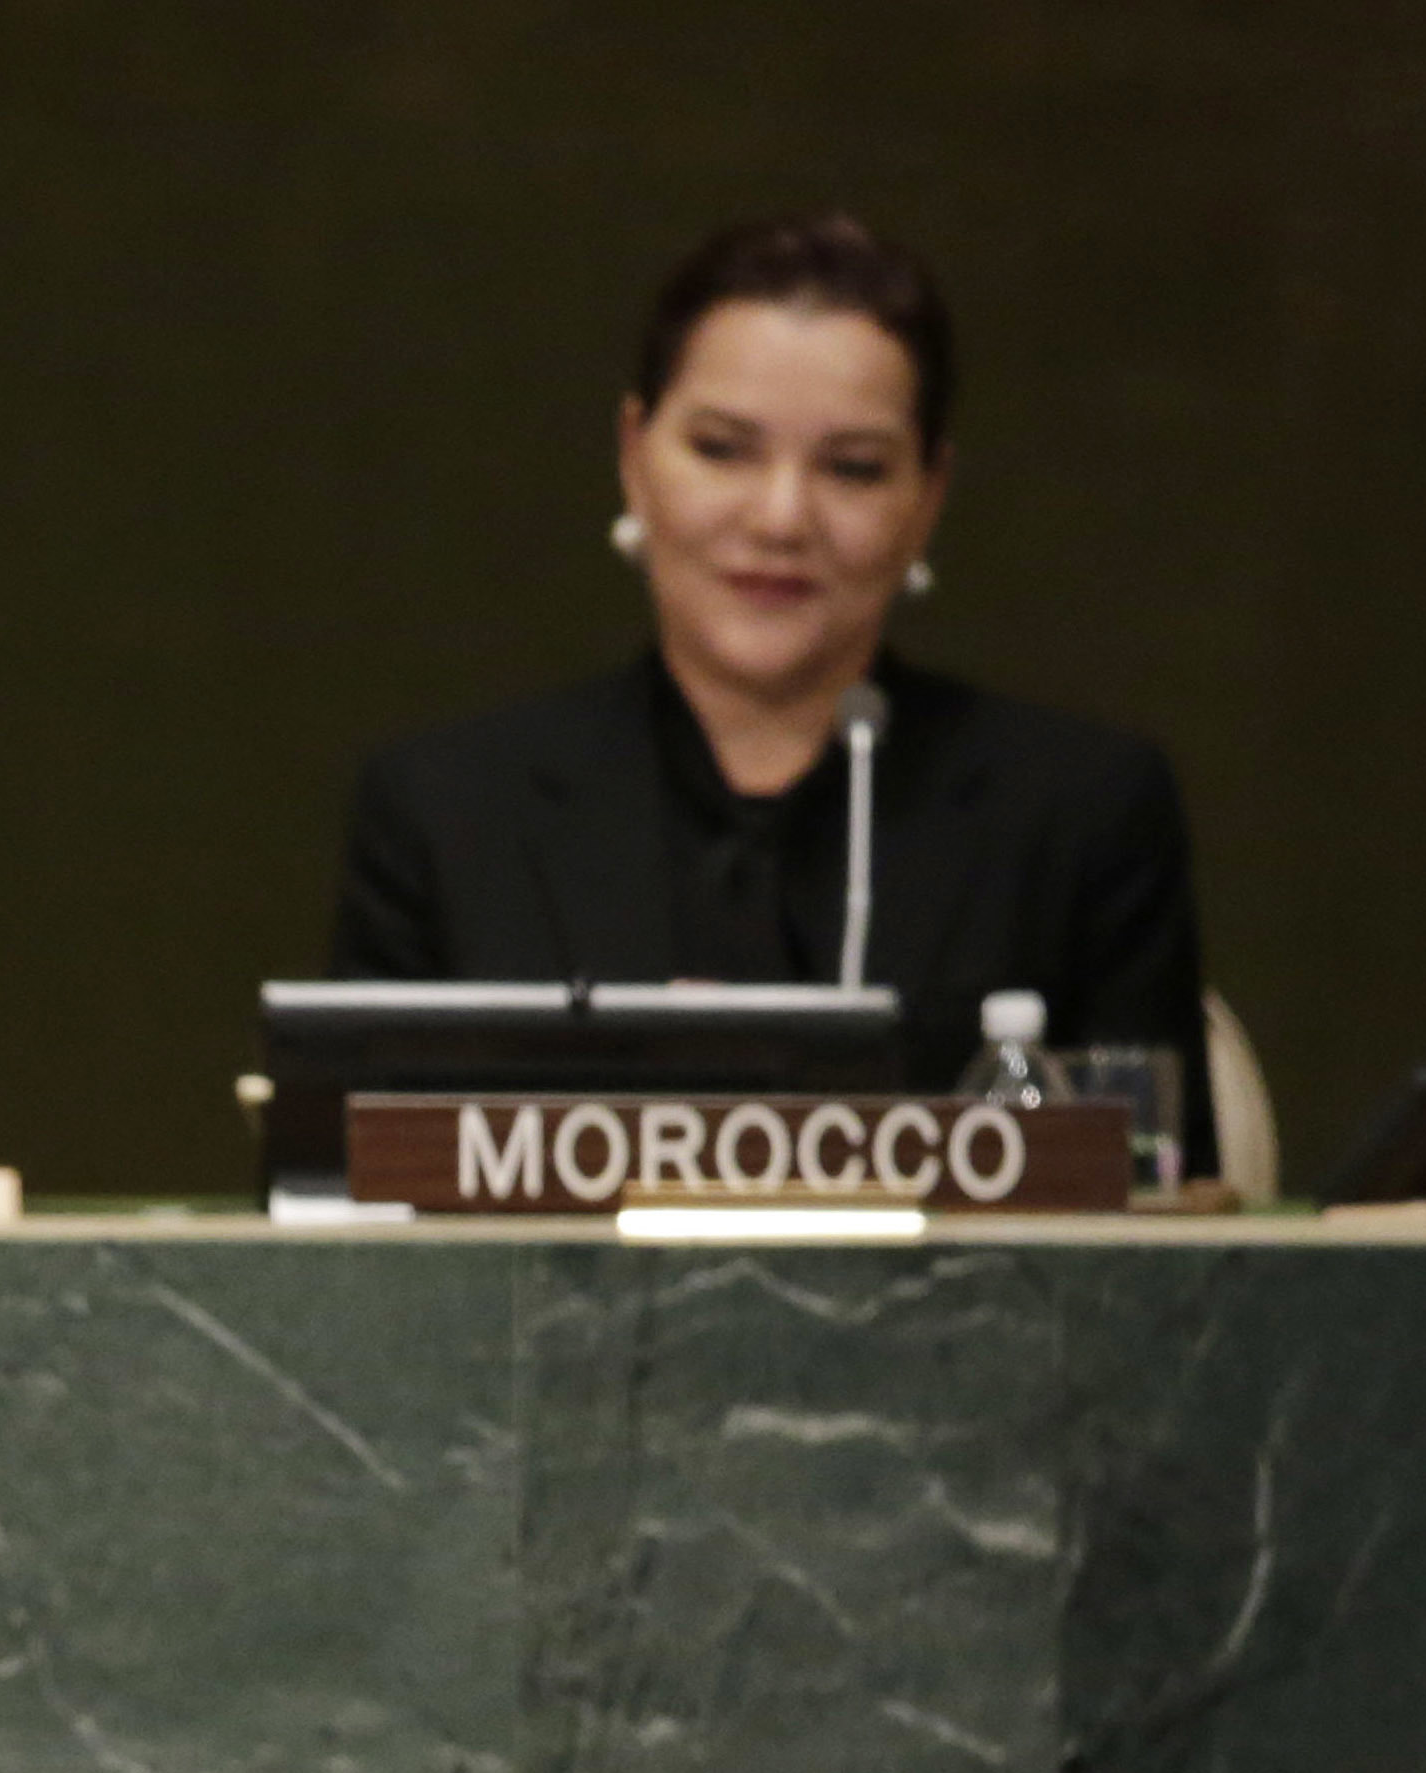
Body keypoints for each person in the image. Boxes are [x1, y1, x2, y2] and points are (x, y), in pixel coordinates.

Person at [330, 210, 1213, 1157]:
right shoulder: (447, 810)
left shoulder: (1079, 811)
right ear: (635, 457)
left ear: (929, 497)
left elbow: (1162, 1221)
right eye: (723, 449)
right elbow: (342, 1214)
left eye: (854, 469)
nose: (782, 516)